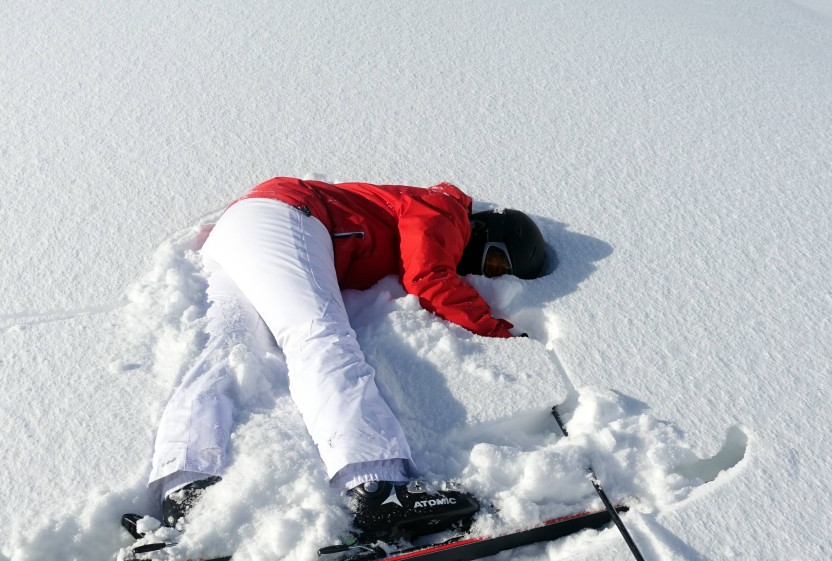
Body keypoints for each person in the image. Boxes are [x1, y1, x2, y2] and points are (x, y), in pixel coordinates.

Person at [139, 177, 547, 542]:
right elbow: (428, 276)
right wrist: (497, 330)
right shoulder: (444, 209)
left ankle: (185, 489)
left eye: (499, 270)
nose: (487, 272)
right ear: (487, 230)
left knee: (227, 352)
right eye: (494, 260)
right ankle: (379, 486)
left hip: (242, 230)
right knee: (318, 334)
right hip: (287, 216)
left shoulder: (426, 211)